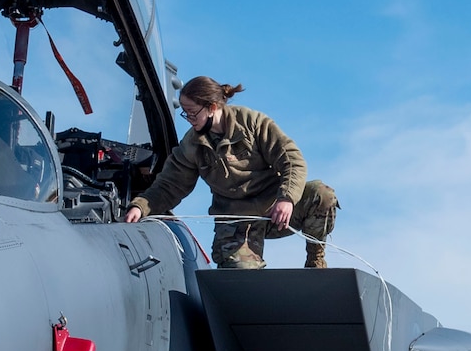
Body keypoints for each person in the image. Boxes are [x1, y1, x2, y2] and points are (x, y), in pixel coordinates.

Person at [123, 77, 339, 269]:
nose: (189, 119)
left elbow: (292, 160)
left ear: (213, 107)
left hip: (276, 210)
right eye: (185, 113)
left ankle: (315, 261)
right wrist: (141, 207)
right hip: (236, 220)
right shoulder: (192, 145)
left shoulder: (253, 123)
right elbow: (169, 185)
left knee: (322, 195)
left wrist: (287, 198)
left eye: (193, 112)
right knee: (240, 282)